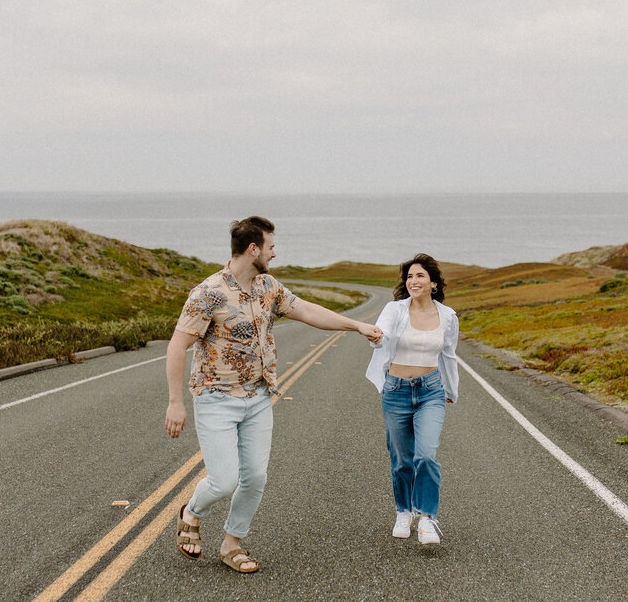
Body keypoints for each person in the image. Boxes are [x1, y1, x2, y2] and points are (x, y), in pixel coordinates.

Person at [165, 216, 384, 573]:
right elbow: (177, 347)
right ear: (253, 249)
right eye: (271, 247)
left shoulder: (268, 286)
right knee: (224, 480)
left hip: (258, 397)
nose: (274, 254)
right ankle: (192, 512)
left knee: (255, 478)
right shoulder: (208, 293)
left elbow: (307, 311)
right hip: (216, 397)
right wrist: (175, 402)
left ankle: (232, 544)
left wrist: (355, 325)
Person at [365, 253, 459, 545]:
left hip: (431, 389)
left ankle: (427, 518)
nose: (413, 281)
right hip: (396, 391)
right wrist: (376, 337)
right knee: (402, 460)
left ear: (433, 283)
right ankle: (403, 511)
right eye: (409, 277)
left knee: (426, 455)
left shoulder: (448, 316)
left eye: (419, 276)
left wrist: (450, 390)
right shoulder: (395, 310)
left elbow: (448, 355)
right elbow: (384, 334)